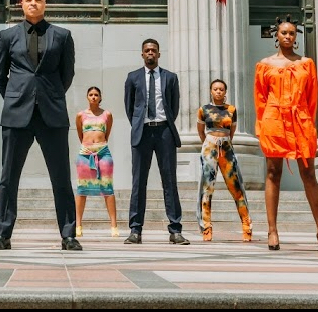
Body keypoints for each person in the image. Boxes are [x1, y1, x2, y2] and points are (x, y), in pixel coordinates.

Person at [0, 0, 80, 251]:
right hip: (17, 114)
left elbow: (67, 75)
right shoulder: (7, 36)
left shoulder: (62, 36)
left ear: (45, 4)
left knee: (61, 177)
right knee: (8, 177)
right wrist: (17, 97)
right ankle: (2, 234)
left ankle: (68, 235)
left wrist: (48, 95)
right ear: (21, 4)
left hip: (52, 114)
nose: (33, 3)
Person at [255, 16, 318, 252]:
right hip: (273, 120)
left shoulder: (306, 63)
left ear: (296, 37)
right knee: (272, 172)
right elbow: (260, 100)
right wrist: (262, 127)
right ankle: (272, 230)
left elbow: (312, 97)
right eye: (284, 33)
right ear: (276, 36)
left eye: (292, 33)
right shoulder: (264, 65)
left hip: (301, 119)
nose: (288, 36)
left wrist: (307, 121)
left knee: (309, 174)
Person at [123, 38, 188, 245]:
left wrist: (164, 124)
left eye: (154, 50)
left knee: (169, 181)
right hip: (142, 132)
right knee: (138, 182)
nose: (150, 53)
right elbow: (130, 107)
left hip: (164, 132)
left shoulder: (170, 77)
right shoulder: (133, 77)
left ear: (159, 54)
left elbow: (174, 106)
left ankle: (175, 229)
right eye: (147, 50)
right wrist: (139, 124)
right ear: (142, 54)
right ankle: (135, 230)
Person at [196, 78, 252, 242]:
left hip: (226, 147)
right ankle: (206, 227)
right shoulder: (204, 109)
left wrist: (225, 142)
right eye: (215, 89)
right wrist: (208, 144)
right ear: (211, 91)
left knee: (236, 186)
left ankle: (246, 225)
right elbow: (201, 131)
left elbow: (232, 131)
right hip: (210, 147)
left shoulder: (231, 109)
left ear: (225, 92)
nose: (218, 91)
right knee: (207, 187)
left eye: (221, 89)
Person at [74, 86, 118, 238]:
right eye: (91, 95)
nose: (93, 97)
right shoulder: (80, 115)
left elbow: (107, 133)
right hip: (85, 154)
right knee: (82, 189)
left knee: (108, 188)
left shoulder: (107, 114)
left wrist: (98, 147)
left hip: (103, 153)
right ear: (87, 97)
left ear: (100, 97)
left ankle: (114, 226)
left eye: (96, 95)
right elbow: (80, 134)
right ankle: (78, 224)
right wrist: (88, 147)